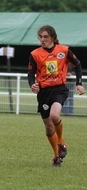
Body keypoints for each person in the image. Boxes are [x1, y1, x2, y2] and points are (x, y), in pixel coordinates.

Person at [27, 25, 85, 167]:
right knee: (48, 126)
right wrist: (32, 84)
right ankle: (56, 156)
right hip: (44, 93)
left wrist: (79, 83)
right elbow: (30, 73)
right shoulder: (35, 54)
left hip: (59, 89)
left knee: (54, 116)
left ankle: (61, 141)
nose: (42, 39)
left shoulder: (63, 50)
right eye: (40, 36)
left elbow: (77, 64)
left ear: (52, 37)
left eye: (45, 36)